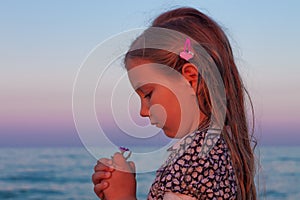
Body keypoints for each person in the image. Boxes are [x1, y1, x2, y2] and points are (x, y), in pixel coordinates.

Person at [92, 7, 257, 200]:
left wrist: (122, 196)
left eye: (148, 94)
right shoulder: (214, 150)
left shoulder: (195, 161)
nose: (143, 112)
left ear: (189, 79)